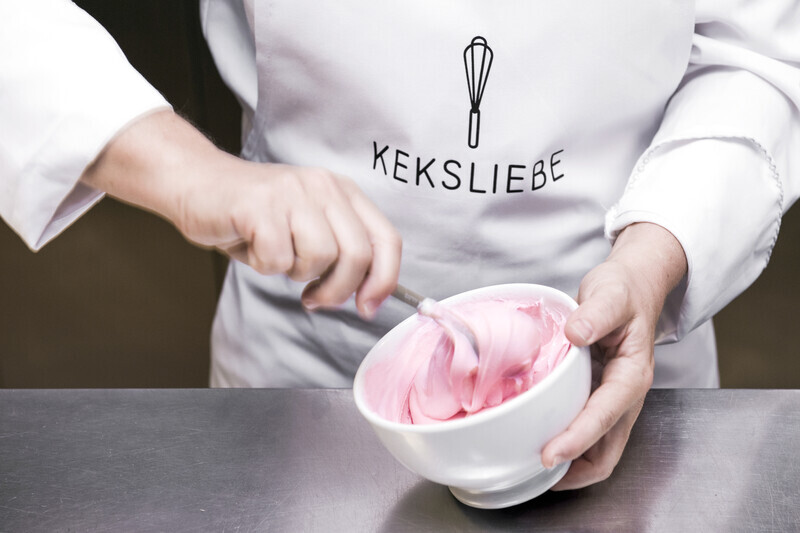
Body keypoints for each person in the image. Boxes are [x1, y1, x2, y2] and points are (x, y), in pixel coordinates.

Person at [2, 0, 799, 491]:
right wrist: (190, 170)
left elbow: (758, 55)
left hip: (620, 369)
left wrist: (652, 258)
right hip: (302, 379)